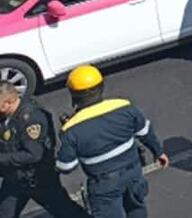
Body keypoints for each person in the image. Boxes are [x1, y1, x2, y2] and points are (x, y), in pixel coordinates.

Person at [55, 66, 168, 218]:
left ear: (74, 95)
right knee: (137, 209)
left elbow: (66, 166)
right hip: (134, 173)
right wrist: (158, 152)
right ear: (101, 87)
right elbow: (145, 132)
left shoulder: (71, 129)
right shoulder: (124, 107)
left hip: (104, 185)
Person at [0, 82, 87, 218]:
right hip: (14, 179)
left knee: (66, 212)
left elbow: (33, 154)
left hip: (38, 180)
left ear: (7, 103)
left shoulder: (31, 119)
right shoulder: (5, 116)